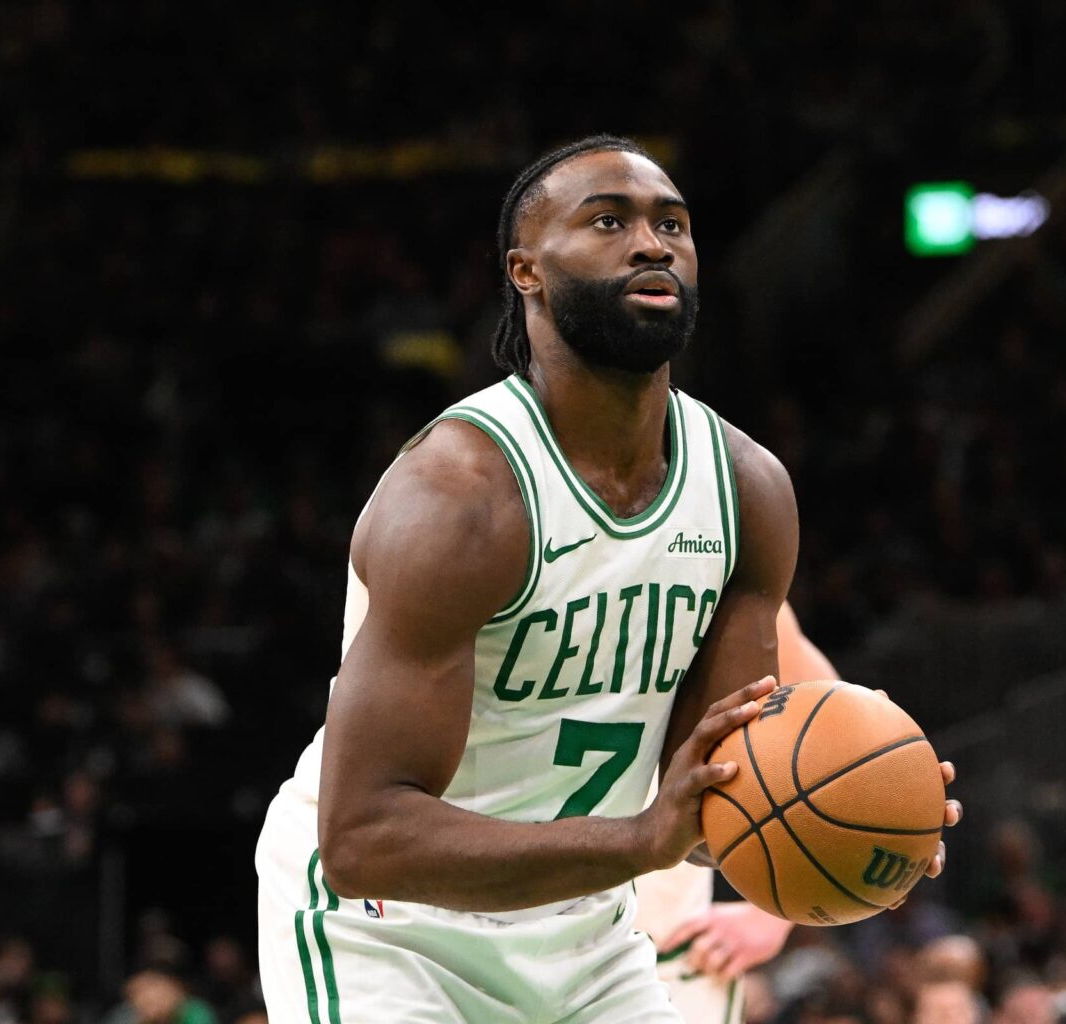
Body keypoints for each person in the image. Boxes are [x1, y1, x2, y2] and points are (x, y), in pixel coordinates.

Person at [254, 134, 962, 1022]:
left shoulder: (748, 491)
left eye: (673, 223)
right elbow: (363, 838)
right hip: (389, 932)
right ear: (527, 272)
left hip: (586, 932)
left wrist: (860, 811)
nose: (652, 243)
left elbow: (713, 791)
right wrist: (640, 838)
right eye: (608, 221)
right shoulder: (459, 500)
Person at [634, 601, 840, 1023]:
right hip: (489, 947)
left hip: (665, 967)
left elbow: (842, 738)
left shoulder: (718, 571)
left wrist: (779, 912)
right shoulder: (497, 554)